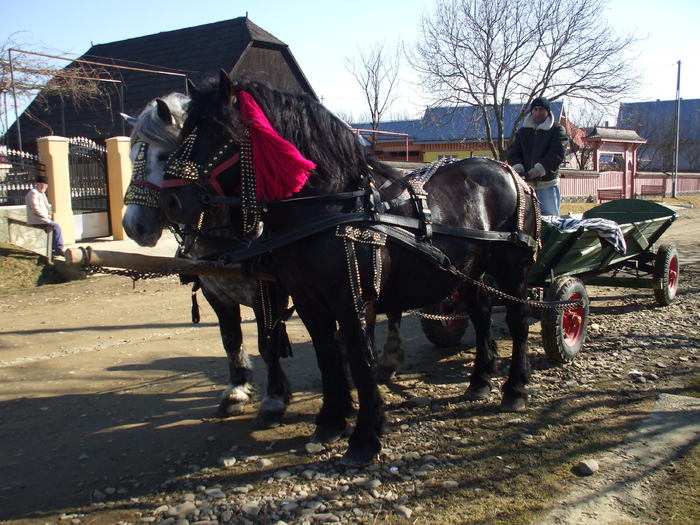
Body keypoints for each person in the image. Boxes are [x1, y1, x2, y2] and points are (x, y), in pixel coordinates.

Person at [507, 96, 568, 216]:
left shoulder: (557, 130)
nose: (538, 112)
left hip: (547, 185)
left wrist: (539, 169)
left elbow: (557, 154)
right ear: (531, 112)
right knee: (524, 221)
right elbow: (513, 152)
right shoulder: (522, 132)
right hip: (525, 186)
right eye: (535, 109)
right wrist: (518, 167)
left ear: (547, 111)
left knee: (550, 222)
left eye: (541, 109)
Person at [25, 174, 64, 256]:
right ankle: (59, 248)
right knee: (56, 226)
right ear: (37, 184)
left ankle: (54, 249)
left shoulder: (41, 193)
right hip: (36, 218)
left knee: (54, 227)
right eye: (42, 185)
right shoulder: (33, 193)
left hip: (42, 218)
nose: (44, 187)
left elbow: (47, 206)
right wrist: (46, 216)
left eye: (45, 185)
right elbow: (35, 209)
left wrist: (49, 214)